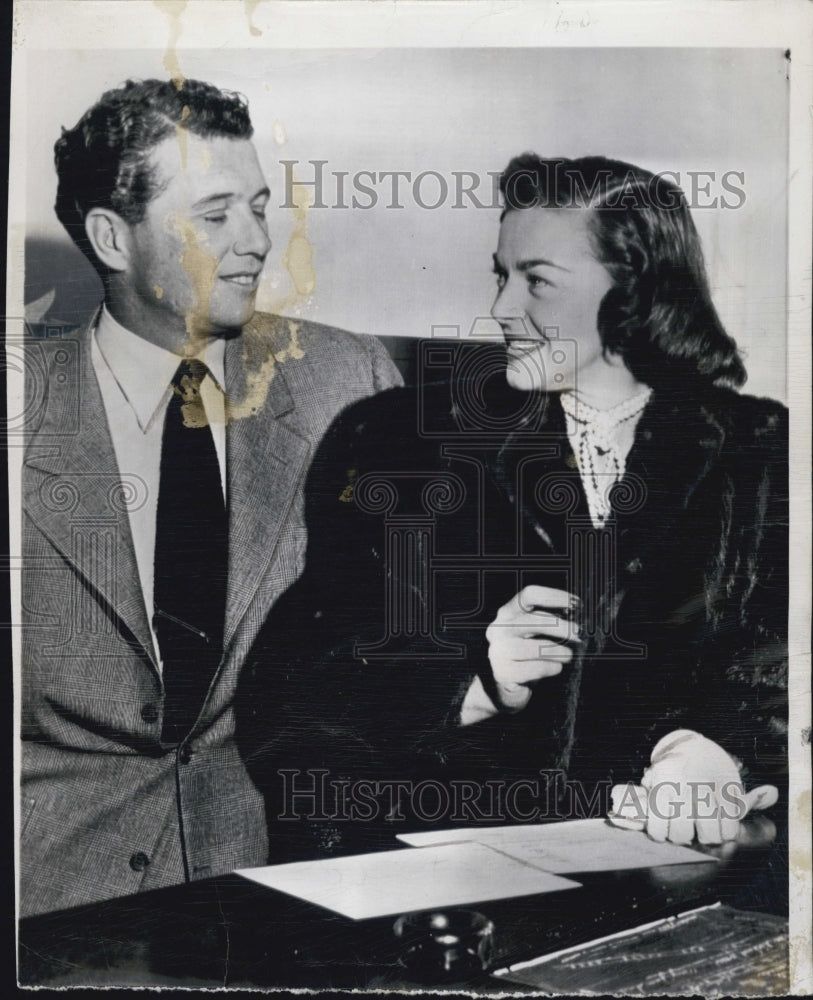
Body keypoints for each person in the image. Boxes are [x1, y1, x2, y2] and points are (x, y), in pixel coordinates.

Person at [237, 156, 787, 859]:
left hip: (675, 874)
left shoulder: (760, 450)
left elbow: (781, 663)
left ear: (633, 287)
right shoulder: (402, 441)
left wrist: (713, 753)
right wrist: (472, 681)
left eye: (536, 280)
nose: (499, 309)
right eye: (501, 275)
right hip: (451, 886)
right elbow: (290, 701)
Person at [20, 77, 401, 917]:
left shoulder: (349, 381)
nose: (257, 241)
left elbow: (404, 654)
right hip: (51, 909)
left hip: (293, 885)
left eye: (260, 207)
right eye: (216, 214)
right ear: (111, 238)